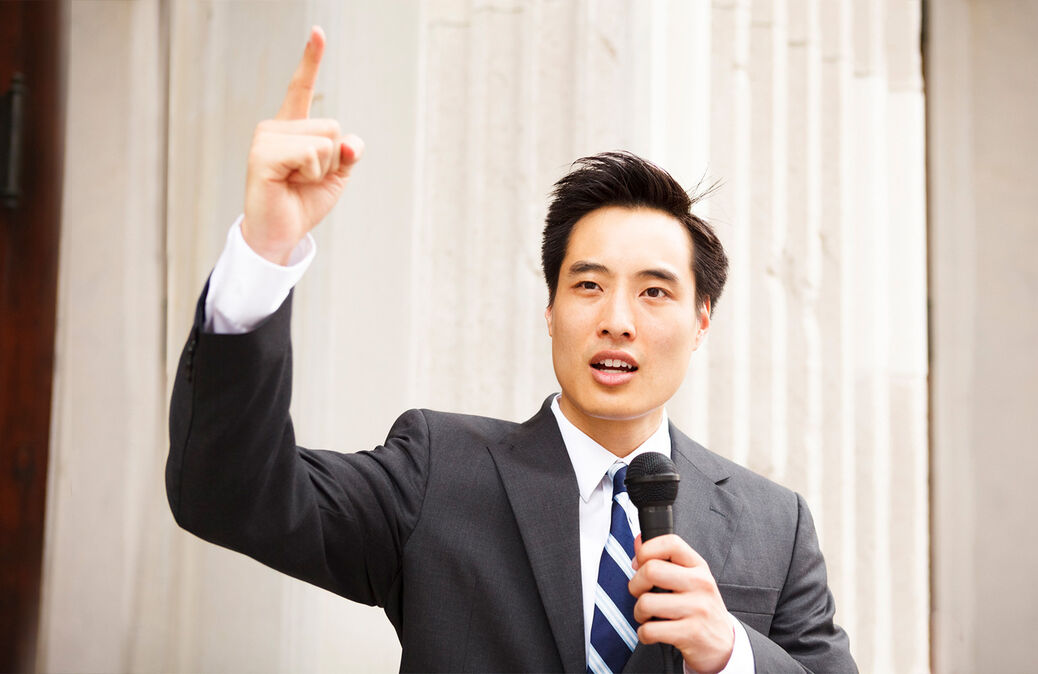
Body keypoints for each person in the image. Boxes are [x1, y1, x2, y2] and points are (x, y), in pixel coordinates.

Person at [167, 27, 855, 674]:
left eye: (654, 293)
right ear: (550, 309)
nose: (617, 320)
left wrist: (731, 651)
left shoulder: (775, 526)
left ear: (702, 320)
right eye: (589, 284)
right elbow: (228, 495)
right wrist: (265, 251)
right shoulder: (437, 473)